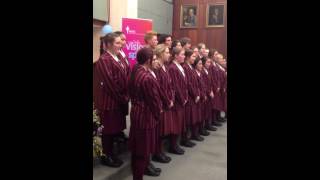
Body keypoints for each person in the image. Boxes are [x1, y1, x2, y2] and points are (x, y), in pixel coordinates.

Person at [93, 33, 129, 167]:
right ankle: (106, 156)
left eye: (121, 42)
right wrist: (122, 98)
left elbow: (124, 76)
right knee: (107, 131)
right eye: (117, 43)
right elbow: (110, 84)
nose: (121, 45)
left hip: (118, 100)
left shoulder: (118, 57)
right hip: (109, 101)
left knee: (114, 129)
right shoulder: (104, 60)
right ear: (108, 45)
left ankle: (111, 154)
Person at [129, 47, 163, 179]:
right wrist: (158, 114)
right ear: (148, 60)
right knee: (142, 152)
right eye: (153, 59)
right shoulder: (147, 77)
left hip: (136, 113)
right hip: (145, 117)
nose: (155, 61)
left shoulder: (136, 71)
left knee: (136, 150)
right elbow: (153, 100)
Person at [152, 44, 174, 163]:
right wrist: (167, 100)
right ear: (160, 54)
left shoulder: (165, 66)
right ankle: (156, 153)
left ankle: (159, 151)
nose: (169, 54)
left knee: (161, 130)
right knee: (158, 131)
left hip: (166, 102)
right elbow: (159, 88)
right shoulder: (157, 68)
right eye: (166, 52)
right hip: (161, 103)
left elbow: (169, 85)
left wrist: (171, 98)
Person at [167, 47, 188, 155]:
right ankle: (173, 145)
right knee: (175, 123)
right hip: (177, 101)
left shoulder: (180, 66)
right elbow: (175, 86)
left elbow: (184, 84)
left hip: (182, 100)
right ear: (175, 56)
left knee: (179, 123)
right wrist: (182, 98)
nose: (184, 56)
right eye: (182, 54)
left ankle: (176, 144)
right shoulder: (172, 68)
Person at [182, 49, 203, 144]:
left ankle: (190, 137)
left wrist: (198, 93)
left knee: (192, 118)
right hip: (190, 97)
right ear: (187, 57)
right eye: (193, 56)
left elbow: (195, 83)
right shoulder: (186, 67)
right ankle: (185, 139)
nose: (194, 58)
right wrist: (195, 94)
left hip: (194, 96)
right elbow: (189, 84)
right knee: (188, 119)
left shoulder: (190, 67)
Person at [193, 57, 211, 136]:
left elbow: (204, 85)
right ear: (195, 65)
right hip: (198, 97)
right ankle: (196, 133)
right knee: (197, 117)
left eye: (201, 64)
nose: (201, 65)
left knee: (202, 115)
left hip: (203, 97)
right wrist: (200, 94)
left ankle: (201, 130)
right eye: (199, 64)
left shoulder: (201, 73)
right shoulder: (194, 73)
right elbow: (196, 86)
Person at [201, 57, 217, 131]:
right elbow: (203, 84)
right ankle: (203, 127)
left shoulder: (207, 71)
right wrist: (208, 91)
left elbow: (209, 83)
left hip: (209, 94)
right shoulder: (202, 72)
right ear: (203, 63)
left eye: (210, 62)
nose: (209, 64)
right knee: (204, 112)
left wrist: (211, 90)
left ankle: (208, 125)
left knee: (208, 110)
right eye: (207, 62)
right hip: (205, 94)